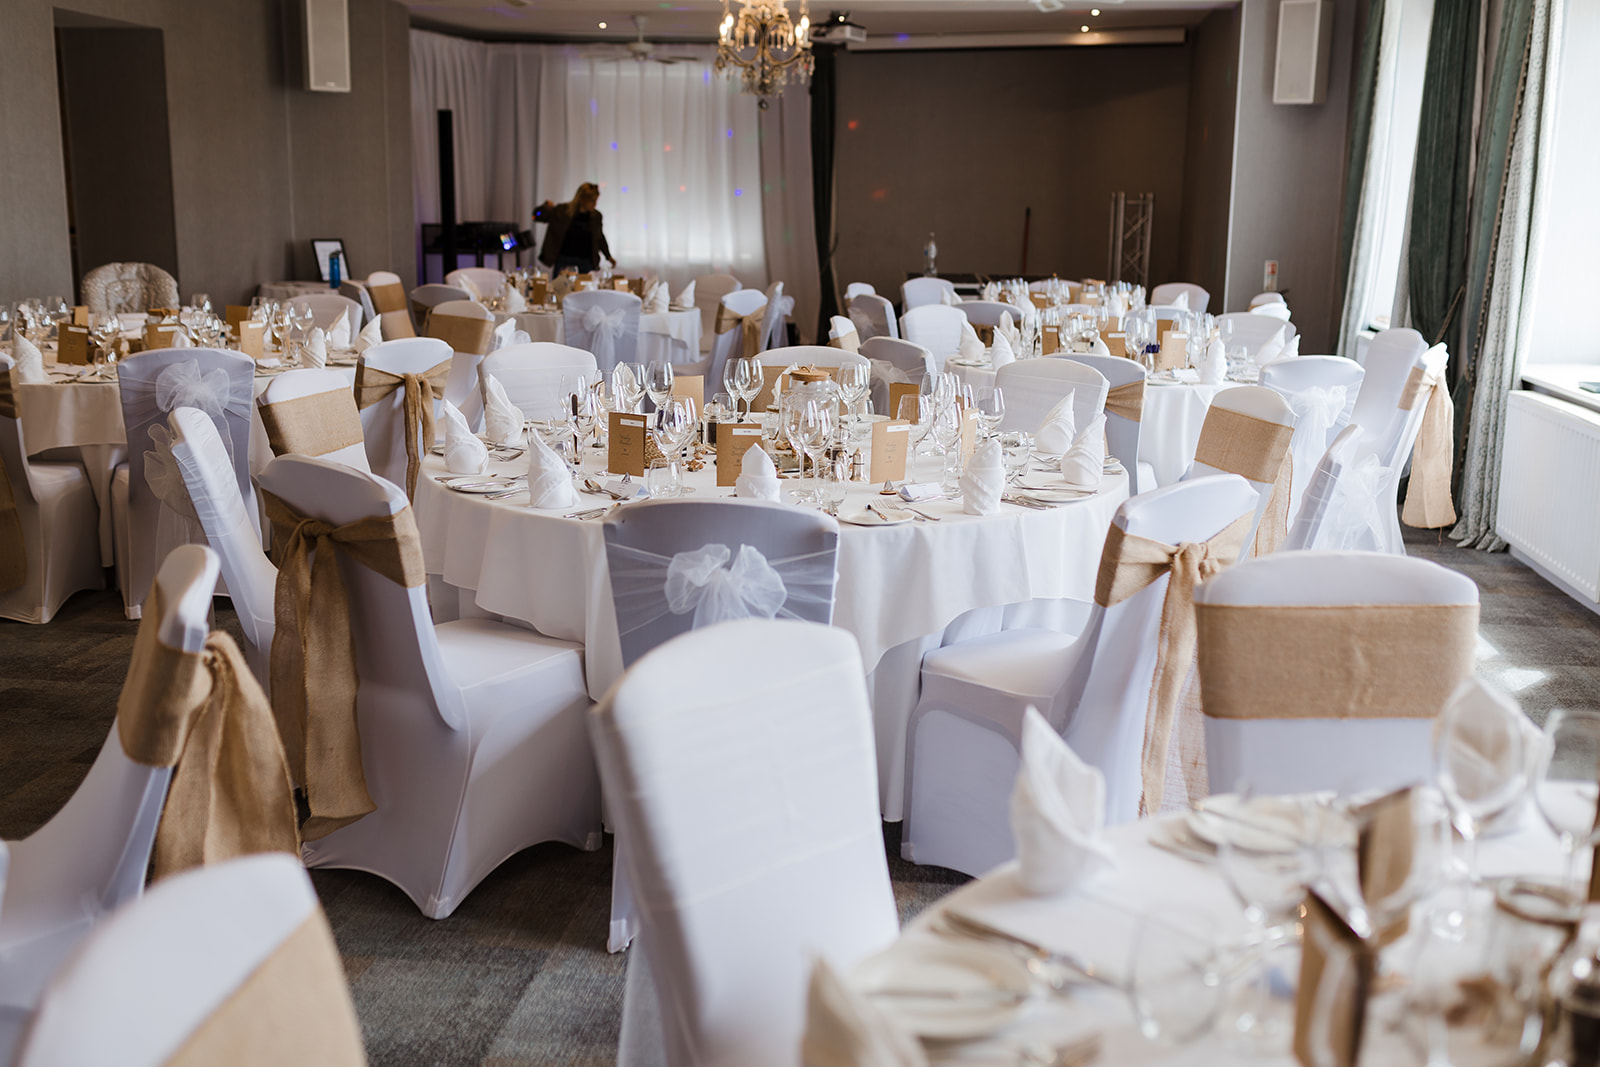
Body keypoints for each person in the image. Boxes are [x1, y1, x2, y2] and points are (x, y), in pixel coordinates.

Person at [534, 182, 615, 275]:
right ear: (582, 199)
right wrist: (544, 208)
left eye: (596, 200)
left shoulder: (596, 217)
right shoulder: (562, 211)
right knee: (560, 288)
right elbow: (536, 216)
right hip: (564, 262)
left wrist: (608, 256)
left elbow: (599, 238)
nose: (595, 204)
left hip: (587, 263)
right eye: (592, 201)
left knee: (587, 289)